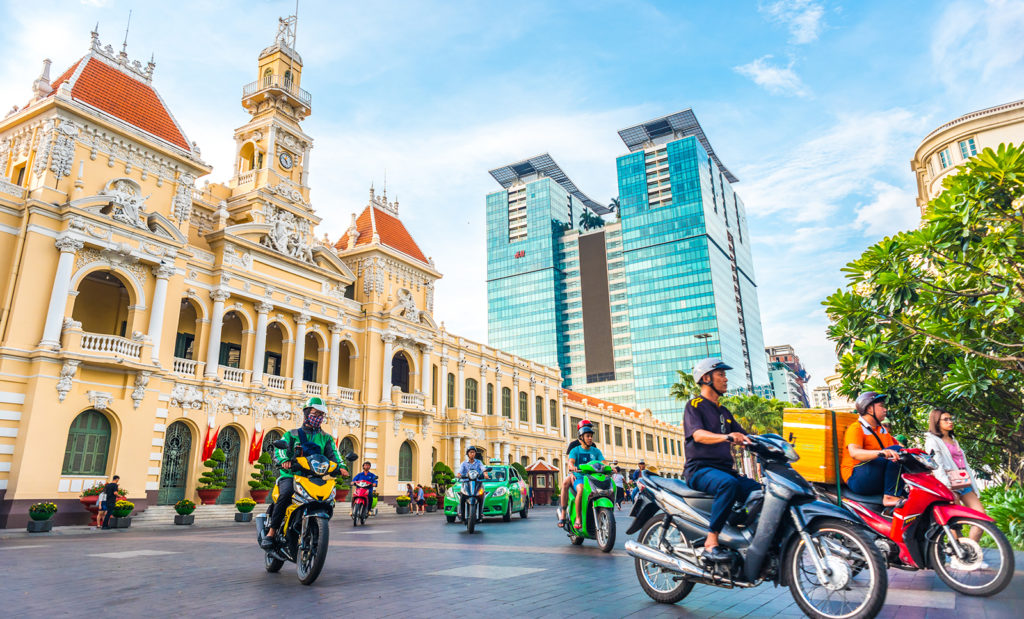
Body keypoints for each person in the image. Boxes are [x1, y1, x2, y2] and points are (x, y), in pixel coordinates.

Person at [683, 358, 759, 563]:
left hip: (724, 470)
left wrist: (769, 444)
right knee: (728, 484)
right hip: (699, 469)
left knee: (758, 491)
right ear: (706, 378)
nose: (726, 379)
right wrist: (727, 437)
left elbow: (745, 437)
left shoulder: (724, 412)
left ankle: (737, 532)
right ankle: (711, 541)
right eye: (721, 375)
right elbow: (698, 435)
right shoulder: (694, 405)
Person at [261, 397, 347, 549]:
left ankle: (315, 529)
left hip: (313, 478)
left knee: (326, 499)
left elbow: (334, 454)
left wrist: (340, 466)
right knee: (286, 494)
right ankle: (272, 532)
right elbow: (281, 450)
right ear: (307, 413)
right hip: (291, 475)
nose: (318, 418)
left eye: (321, 415)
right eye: (315, 413)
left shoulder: (326, 438)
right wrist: (284, 461)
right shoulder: (292, 434)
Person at [924, 408, 986, 540]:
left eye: (950, 419)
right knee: (956, 524)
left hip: (963, 482)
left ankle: (969, 549)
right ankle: (958, 554)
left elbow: (964, 464)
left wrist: (974, 487)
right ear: (936, 422)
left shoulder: (953, 439)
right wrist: (947, 488)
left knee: (981, 517)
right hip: (948, 484)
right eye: (945, 419)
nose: (950, 422)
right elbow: (937, 466)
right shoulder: (932, 440)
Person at [840, 391, 905, 508]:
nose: (885, 410)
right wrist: (881, 453)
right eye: (881, 406)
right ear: (870, 409)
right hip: (856, 478)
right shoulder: (856, 428)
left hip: (874, 475)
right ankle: (890, 496)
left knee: (903, 454)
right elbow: (855, 453)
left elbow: (901, 450)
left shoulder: (882, 430)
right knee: (896, 450)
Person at [567, 424, 604, 530]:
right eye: (587, 436)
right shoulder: (575, 450)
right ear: (581, 438)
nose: (590, 438)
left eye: (591, 436)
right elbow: (571, 462)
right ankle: (578, 518)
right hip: (580, 478)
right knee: (581, 489)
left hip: (593, 478)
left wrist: (609, 467)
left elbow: (603, 461)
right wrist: (572, 467)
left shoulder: (596, 451)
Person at [557, 419, 592, 528]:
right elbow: (570, 462)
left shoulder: (592, 444)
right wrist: (571, 472)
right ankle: (563, 513)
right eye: (586, 427)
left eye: (590, 428)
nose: (589, 431)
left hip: (589, 475)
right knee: (565, 483)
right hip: (575, 473)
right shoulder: (574, 445)